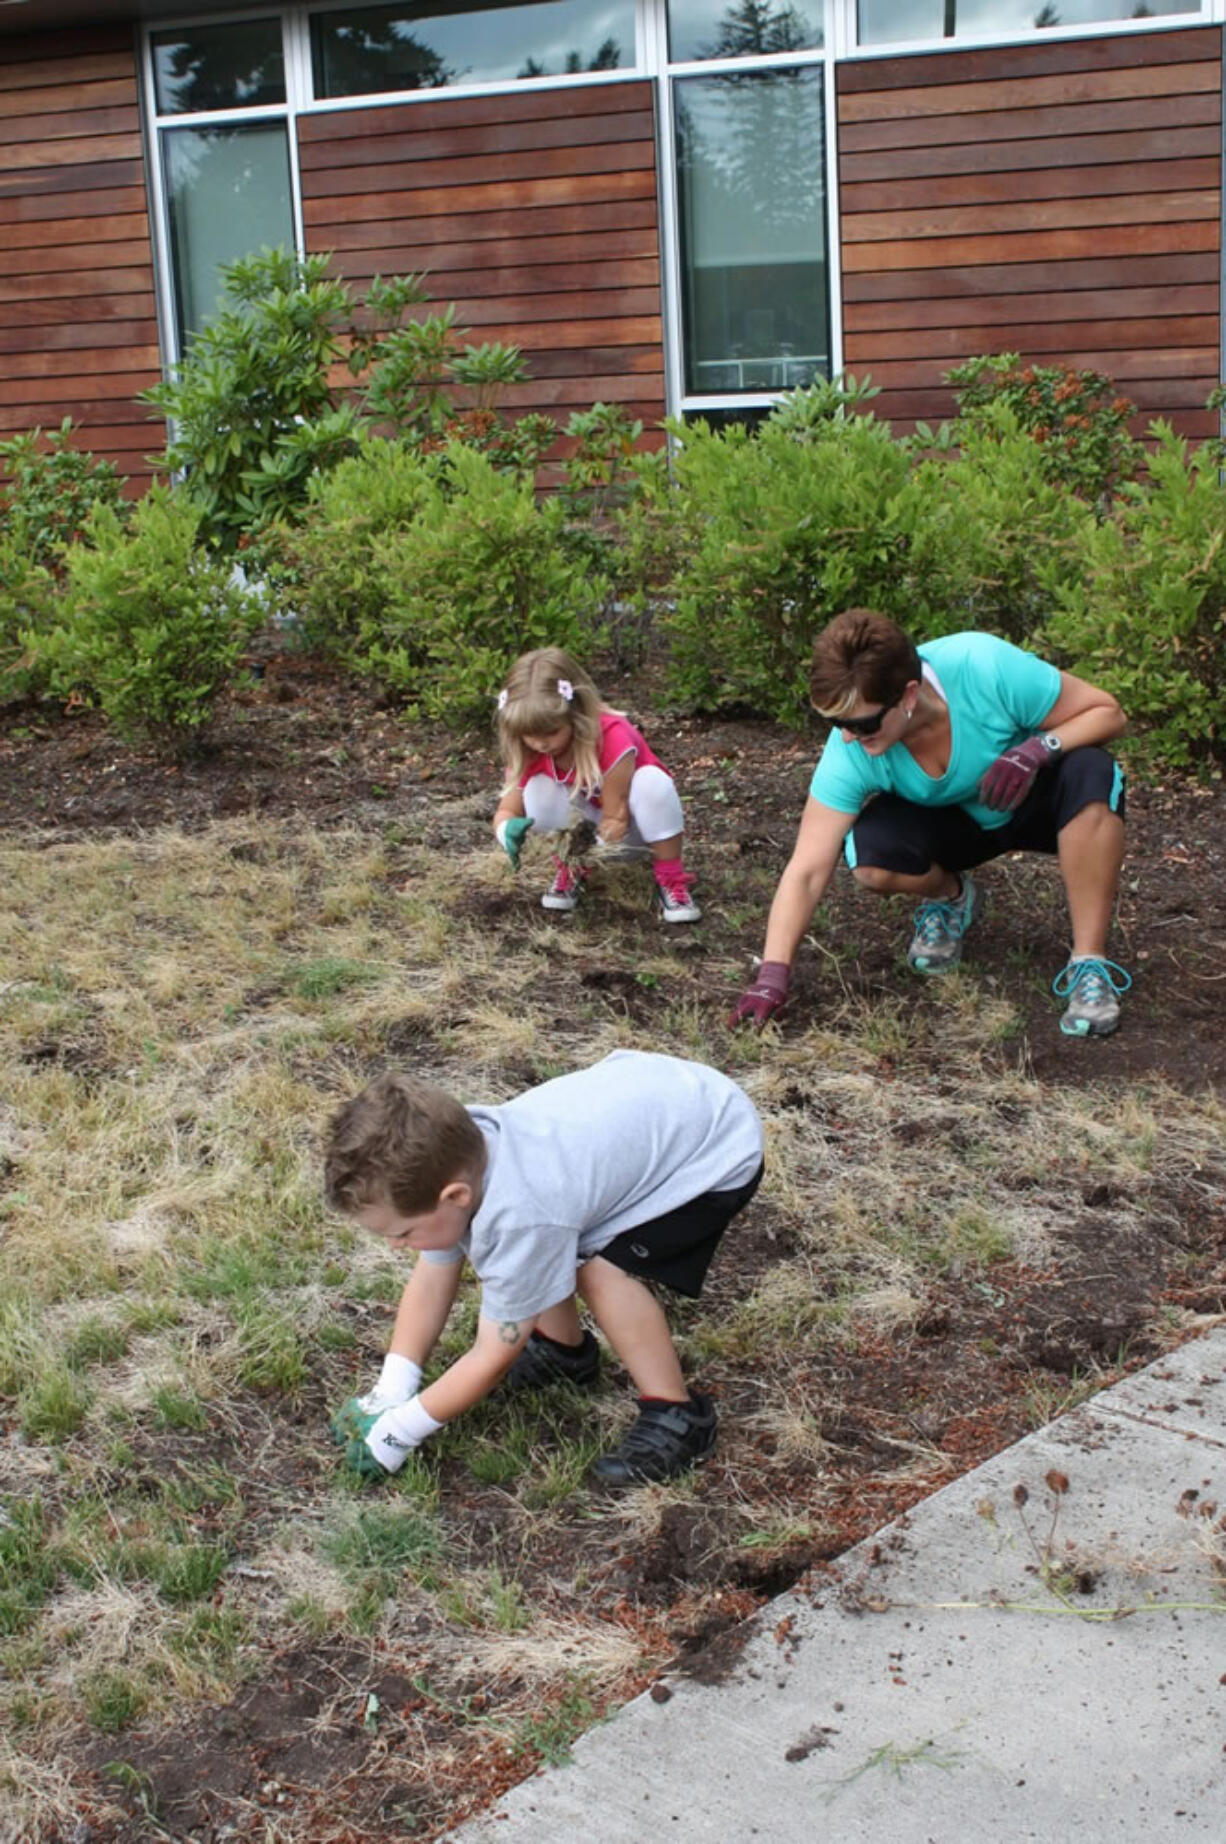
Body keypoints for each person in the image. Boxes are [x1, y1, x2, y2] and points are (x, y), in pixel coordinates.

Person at [324, 1051, 764, 1487]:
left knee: (600, 1272)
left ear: (454, 1196)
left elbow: (493, 1355)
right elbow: (433, 1274)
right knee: (545, 1250)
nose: (396, 1246)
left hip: (713, 1150)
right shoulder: (459, 1157)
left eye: (402, 1233)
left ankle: (677, 1415)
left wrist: (400, 1431)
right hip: (664, 1102)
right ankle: (562, 1351)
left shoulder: (522, 1211)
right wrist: (393, 1388)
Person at [732, 609, 1130, 1039]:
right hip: (957, 828)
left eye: (861, 723)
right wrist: (772, 975)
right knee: (871, 856)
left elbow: (1108, 712)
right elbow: (807, 869)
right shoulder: (849, 749)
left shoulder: (983, 665)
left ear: (907, 695)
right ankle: (951, 897)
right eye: (836, 723)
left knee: (1093, 771)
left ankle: (1089, 961)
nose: (848, 737)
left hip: (1032, 800)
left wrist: (1039, 748)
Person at [490, 646, 701, 923]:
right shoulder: (528, 751)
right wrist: (507, 831)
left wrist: (591, 846)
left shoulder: (611, 736)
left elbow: (616, 817)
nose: (540, 743)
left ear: (575, 714)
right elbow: (506, 810)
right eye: (528, 735)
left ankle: (670, 877)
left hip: (633, 835)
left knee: (652, 783)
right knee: (536, 788)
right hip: (591, 836)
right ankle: (571, 867)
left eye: (551, 732)